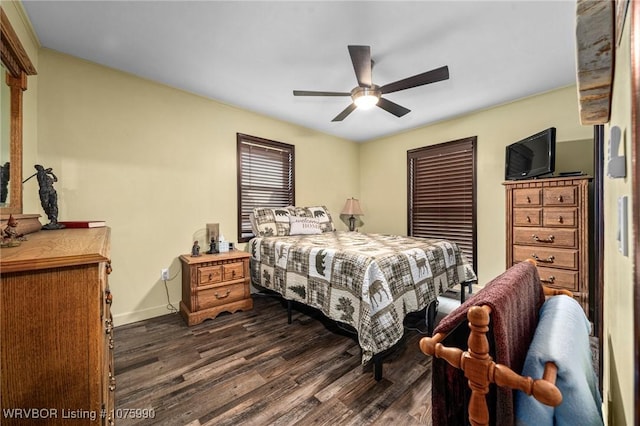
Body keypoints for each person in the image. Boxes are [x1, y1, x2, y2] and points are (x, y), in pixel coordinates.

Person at [35, 164, 64, 229]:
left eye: (41, 168)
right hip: (44, 192)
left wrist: (52, 173)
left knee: (54, 206)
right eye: (40, 169)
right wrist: (46, 170)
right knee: (45, 205)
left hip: (52, 191)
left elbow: (56, 179)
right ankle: (50, 216)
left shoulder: (48, 177)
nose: (41, 170)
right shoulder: (39, 175)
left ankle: (54, 221)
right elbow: (42, 174)